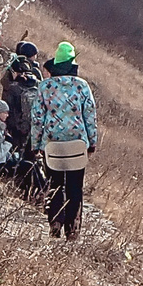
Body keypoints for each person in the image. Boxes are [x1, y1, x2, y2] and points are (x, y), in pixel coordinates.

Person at [32, 40, 98, 240]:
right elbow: (90, 115)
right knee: (75, 187)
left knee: (54, 184)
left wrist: (35, 145)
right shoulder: (82, 86)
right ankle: (72, 229)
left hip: (51, 144)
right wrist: (92, 142)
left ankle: (55, 223)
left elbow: (37, 118)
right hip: (77, 144)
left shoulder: (44, 87)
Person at [1, 40, 44, 162]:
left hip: (9, 110)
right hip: (28, 114)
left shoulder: (12, 67)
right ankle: (24, 166)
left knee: (13, 140)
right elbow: (39, 89)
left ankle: (14, 162)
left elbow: (5, 84)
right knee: (26, 144)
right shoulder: (34, 71)